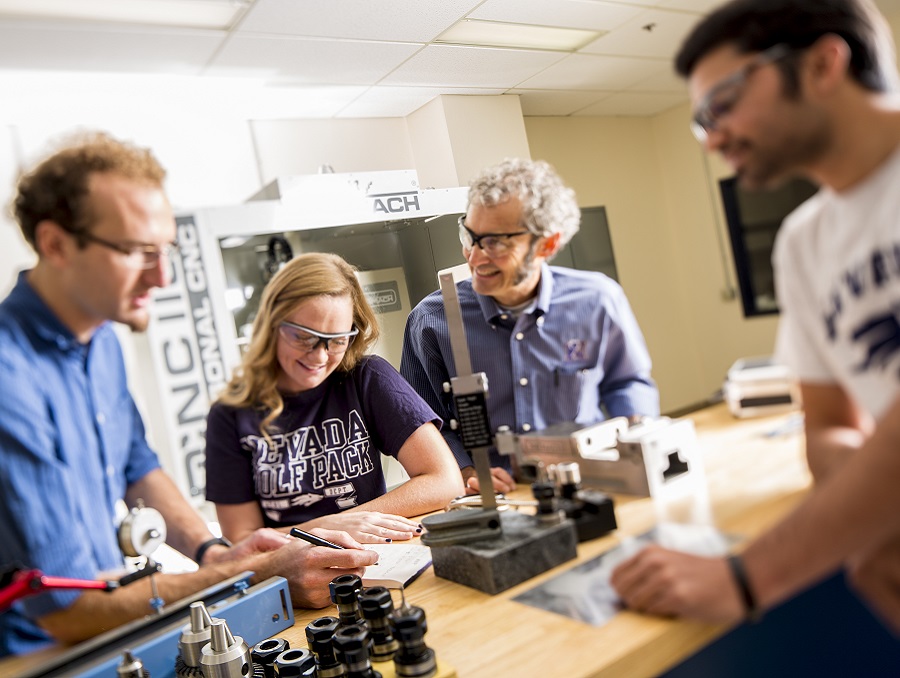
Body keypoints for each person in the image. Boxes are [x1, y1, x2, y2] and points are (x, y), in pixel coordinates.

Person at [0, 133, 377, 657]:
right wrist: (257, 571)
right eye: (138, 252)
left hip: (104, 631)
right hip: (31, 655)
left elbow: (137, 466)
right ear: (56, 244)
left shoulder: (100, 342)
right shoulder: (8, 377)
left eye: (166, 250)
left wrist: (212, 552)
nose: (162, 275)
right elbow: (68, 611)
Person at [611, 0, 900, 633]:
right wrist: (875, 519)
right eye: (701, 121)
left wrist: (745, 577)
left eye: (725, 103)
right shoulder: (804, 242)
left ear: (824, 62)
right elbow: (825, 428)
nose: (713, 137)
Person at [401, 158, 659, 494]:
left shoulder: (597, 300)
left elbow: (627, 382)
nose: (474, 257)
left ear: (546, 245)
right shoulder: (431, 321)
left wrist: (635, 434)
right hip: (497, 499)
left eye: (495, 242)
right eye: (470, 236)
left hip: (590, 483)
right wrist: (464, 470)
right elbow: (422, 423)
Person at [205, 252, 464, 545]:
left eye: (337, 340)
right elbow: (241, 541)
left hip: (374, 560)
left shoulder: (368, 378)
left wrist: (357, 521)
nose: (319, 356)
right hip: (291, 578)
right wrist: (328, 528)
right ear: (272, 325)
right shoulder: (229, 415)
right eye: (303, 337)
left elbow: (445, 481)